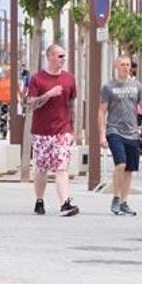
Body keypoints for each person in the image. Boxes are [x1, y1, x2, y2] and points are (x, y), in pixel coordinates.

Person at [99, 56, 142, 216]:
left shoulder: (137, 86)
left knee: (129, 169)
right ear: (116, 66)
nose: (126, 67)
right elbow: (102, 111)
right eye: (122, 65)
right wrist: (101, 135)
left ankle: (125, 201)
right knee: (120, 164)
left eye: (128, 65)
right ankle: (116, 197)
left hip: (132, 132)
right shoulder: (108, 87)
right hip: (114, 130)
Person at [27, 45, 80, 217]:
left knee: (61, 166)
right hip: (42, 131)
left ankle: (65, 203)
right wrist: (48, 94)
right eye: (60, 56)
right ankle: (39, 200)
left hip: (62, 130)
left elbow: (72, 105)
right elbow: (31, 104)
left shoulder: (69, 79)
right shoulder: (37, 79)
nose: (63, 59)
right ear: (49, 56)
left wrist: (73, 129)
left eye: (64, 56)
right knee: (41, 168)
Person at [0, 66, 13, 140]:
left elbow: (17, 90)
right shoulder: (0, 80)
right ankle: (3, 135)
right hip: (2, 103)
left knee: (12, 120)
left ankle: (12, 134)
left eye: (9, 71)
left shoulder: (13, 80)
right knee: (3, 119)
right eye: (6, 71)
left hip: (11, 103)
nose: (7, 73)